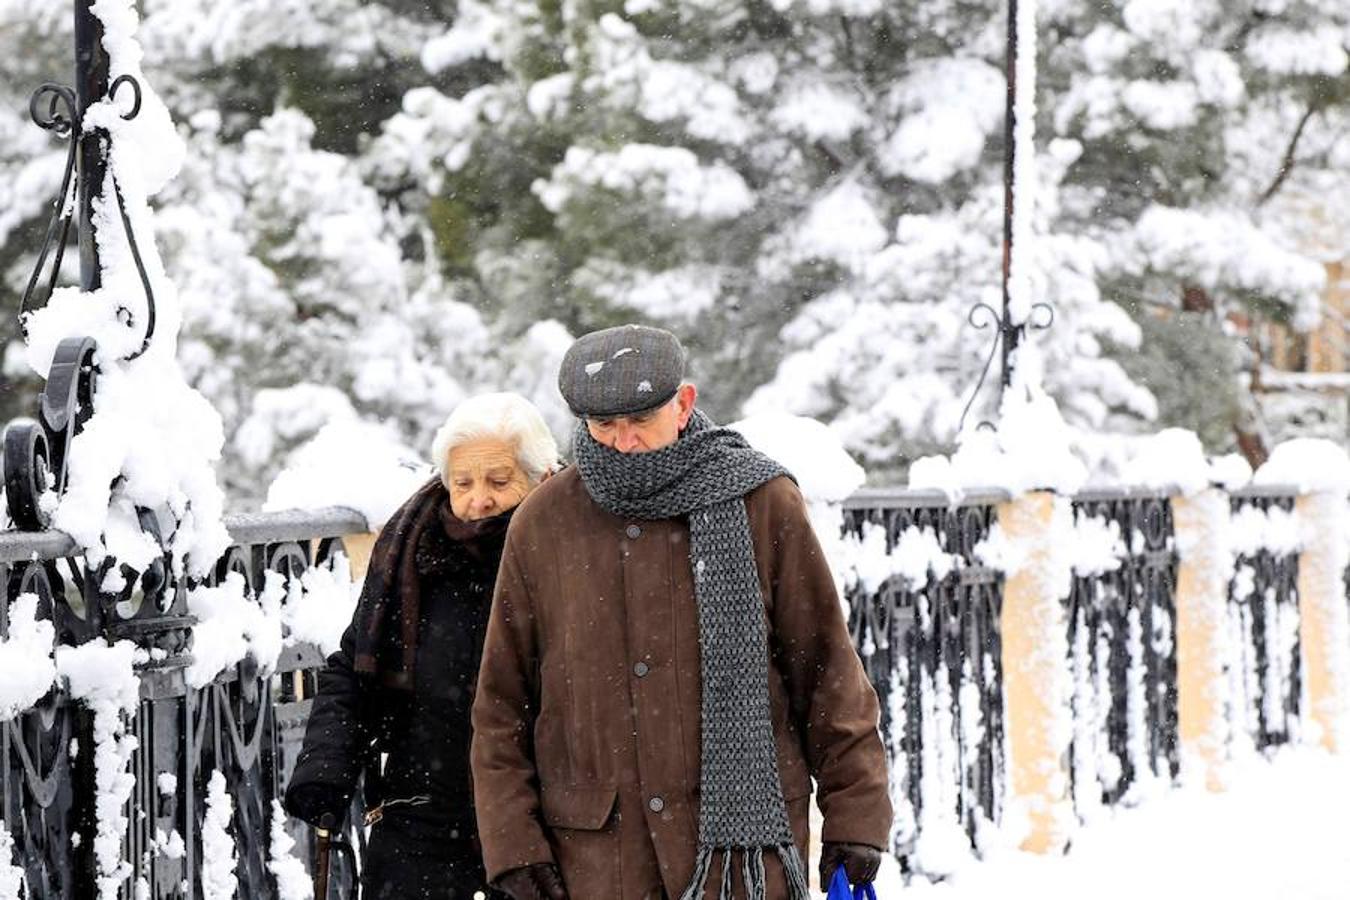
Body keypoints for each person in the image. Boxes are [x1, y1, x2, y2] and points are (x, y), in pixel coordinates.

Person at [471, 325, 891, 900]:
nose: (623, 442)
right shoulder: (543, 522)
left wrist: (857, 819)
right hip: (596, 859)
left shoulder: (761, 502)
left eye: (640, 421)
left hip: (745, 861)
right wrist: (514, 847)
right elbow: (501, 706)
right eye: (603, 425)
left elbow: (826, 673)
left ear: (684, 402)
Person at [285, 392, 559, 900]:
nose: (479, 499)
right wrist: (326, 763)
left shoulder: (571, 554)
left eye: (499, 482)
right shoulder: (415, 551)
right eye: (463, 483)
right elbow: (355, 666)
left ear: (543, 478)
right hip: (422, 811)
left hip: (540, 822)